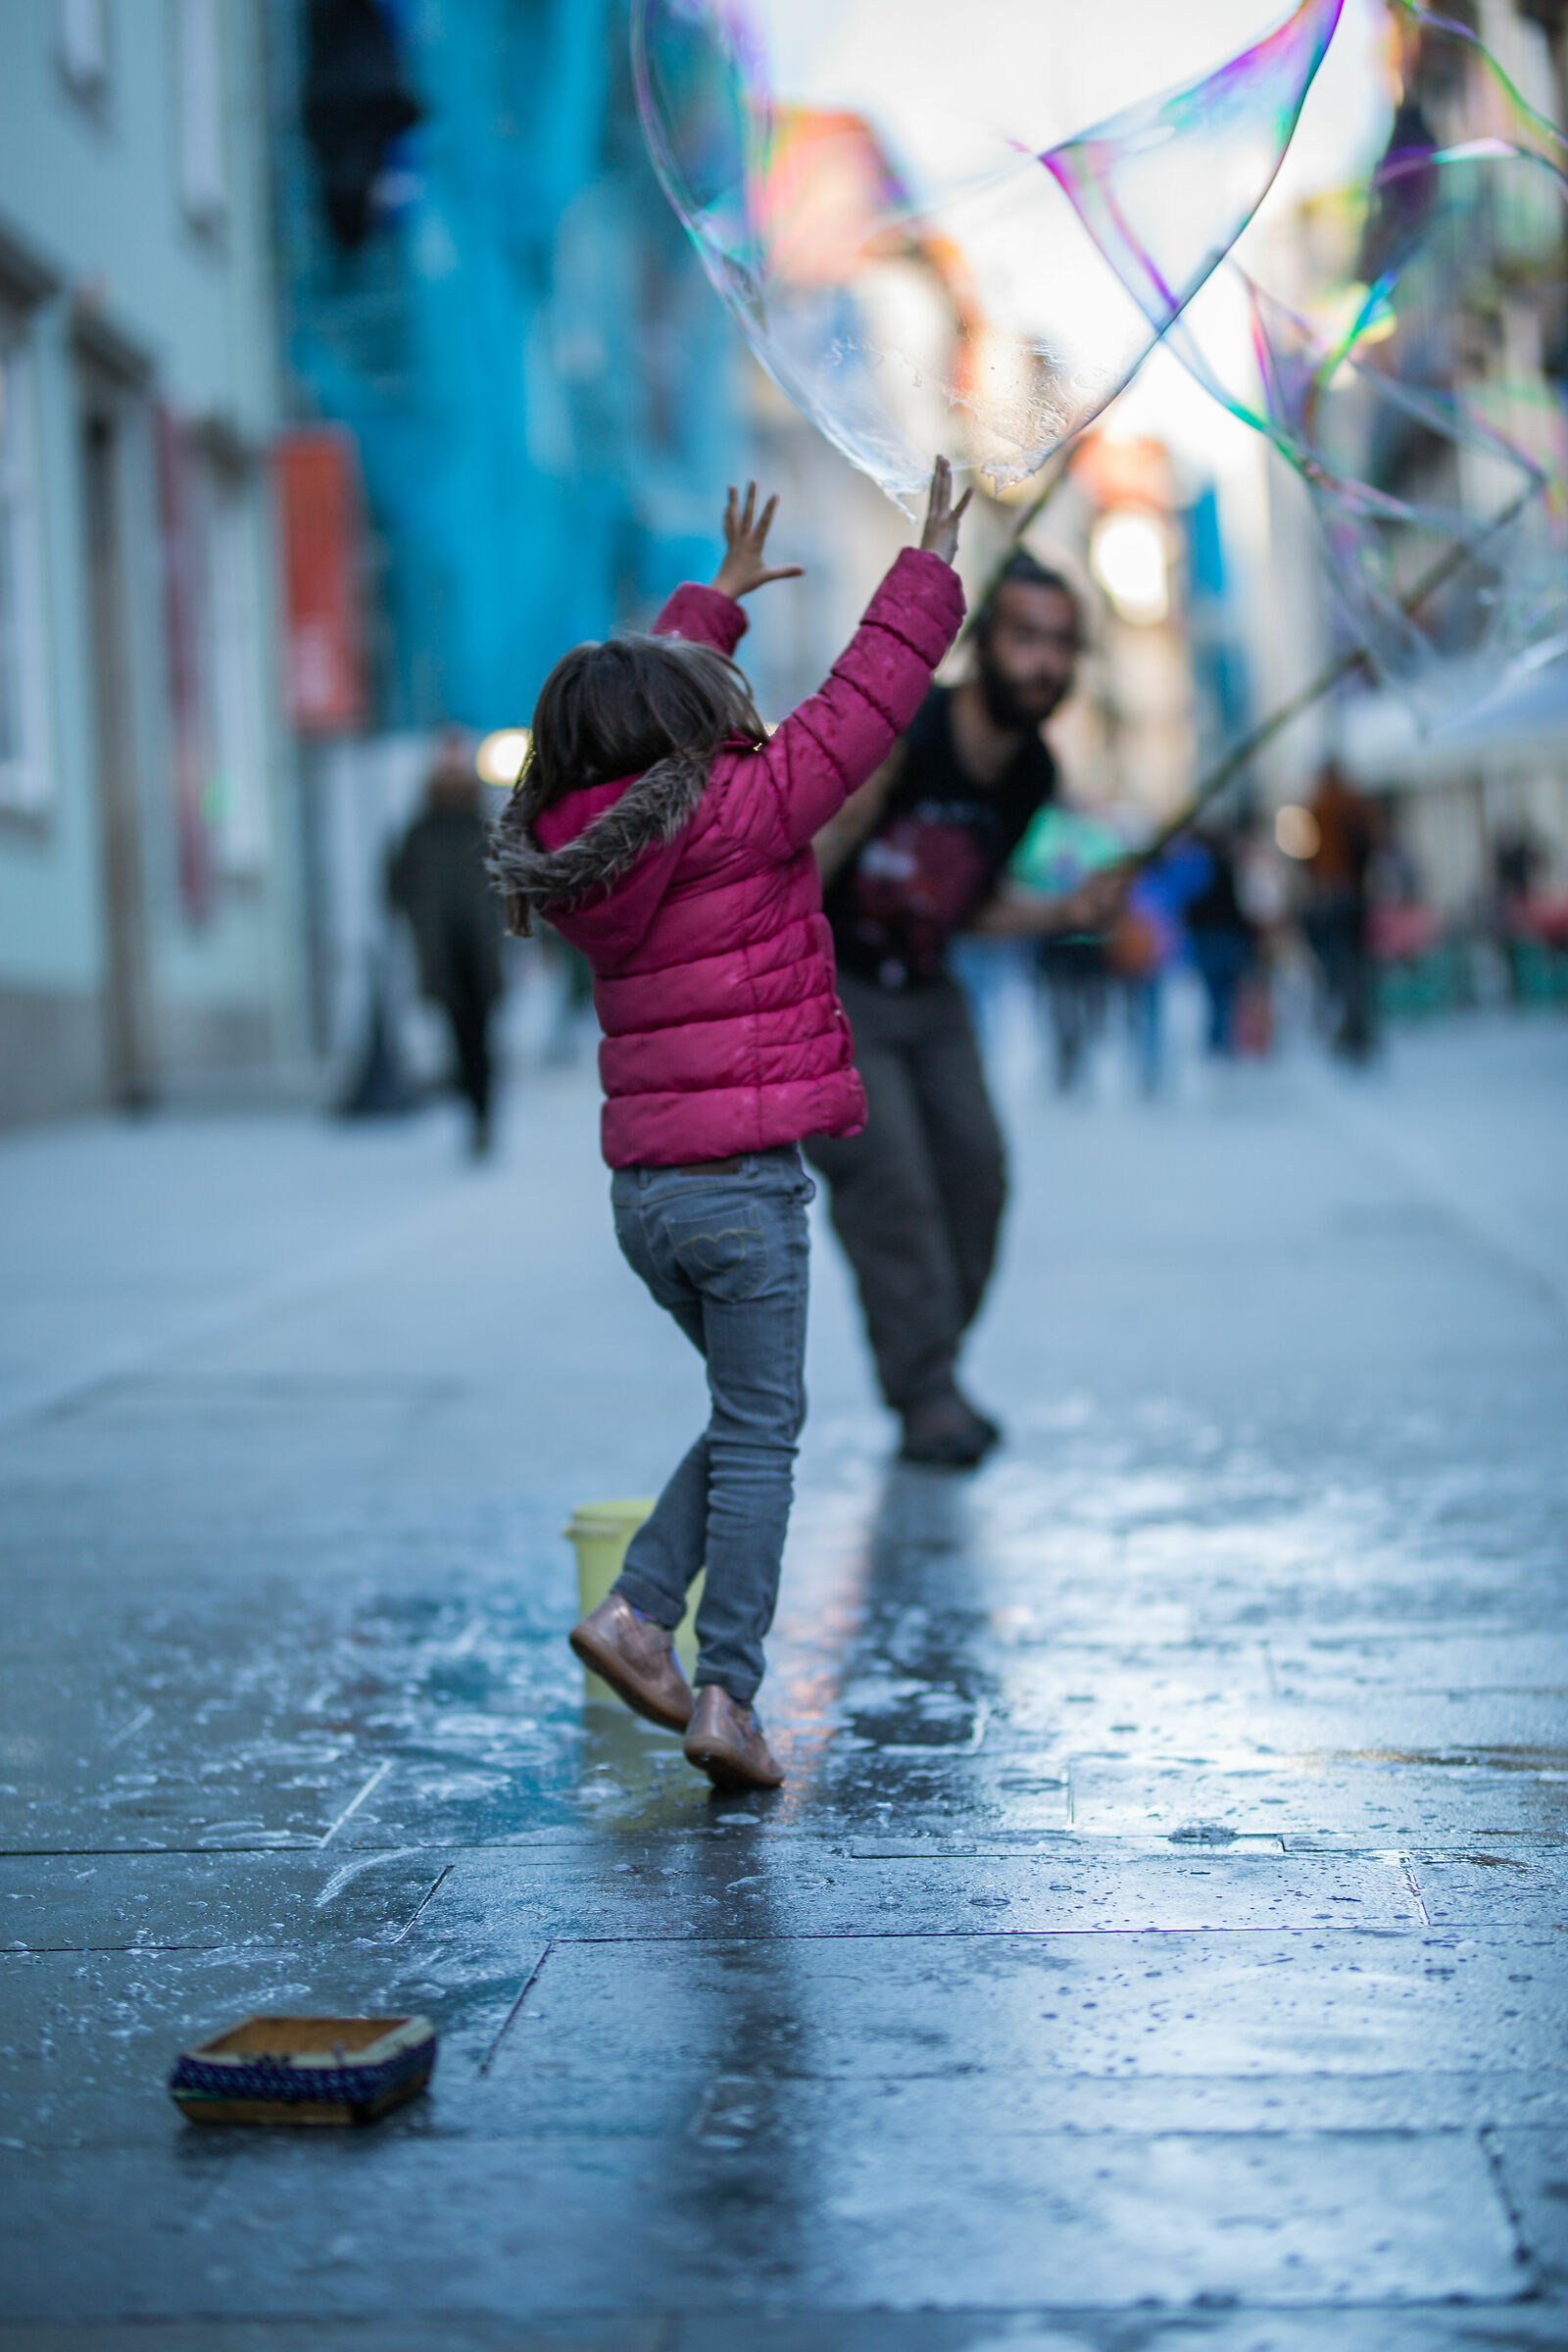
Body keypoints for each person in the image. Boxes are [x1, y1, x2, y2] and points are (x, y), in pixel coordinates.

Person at [488, 467, 972, 1791]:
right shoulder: (746, 811)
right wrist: (923, 567)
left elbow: (628, 733)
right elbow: (864, 708)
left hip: (646, 1197)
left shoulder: (590, 841)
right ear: (690, 730)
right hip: (744, 1190)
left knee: (750, 1412)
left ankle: (642, 1611)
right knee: (764, 1433)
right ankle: (724, 1689)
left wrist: (710, 602)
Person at [808, 552, 1121, 1468]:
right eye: (1025, 637)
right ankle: (926, 1396)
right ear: (982, 641)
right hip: (835, 991)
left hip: (932, 989)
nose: (1044, 663)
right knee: (892, 1190)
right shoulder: (904, 722)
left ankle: (931, 1366)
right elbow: (785, 877)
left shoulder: (1031, 774)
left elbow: (966, 904)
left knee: (977, 1177)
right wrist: (850, 815)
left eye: (1062, 645)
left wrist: (1066, 913)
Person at [388, 735, 507, 1154]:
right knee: (459, 1037)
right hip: (444, 956)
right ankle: (472, 1112)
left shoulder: (484, 825)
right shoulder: (420, 832)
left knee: (484, 1038)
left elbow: (510, 886)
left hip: (482, 953)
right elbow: (395, 887)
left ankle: (484, 1115)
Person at [1304, 762, 1379, 1061]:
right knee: (1357, 968)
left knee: (1337, 967)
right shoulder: (1354, 803)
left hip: (1331, 893)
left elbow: (1306, 853)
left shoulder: (1319, 805)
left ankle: (1348, 1030)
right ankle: (1357, 1029)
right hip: (1354, 892)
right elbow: (1369, 843)